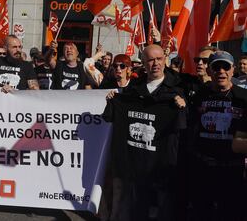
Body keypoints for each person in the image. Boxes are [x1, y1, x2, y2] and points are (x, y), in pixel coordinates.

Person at [103, 44, 186, 221]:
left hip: (159, 170)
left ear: (165, 60)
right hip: (131, 170)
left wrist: (183, 108)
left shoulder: (177, 92)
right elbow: (109, 117)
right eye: (150, 60)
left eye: (159, 59)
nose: (155, 63)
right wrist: (113, 99)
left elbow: (184, 127)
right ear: (143, 63)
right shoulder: (132, 90)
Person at [189, 51, 247, 221]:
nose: (221, 71)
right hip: (203, 168)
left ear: (232, 70)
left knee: (231, 213)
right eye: (216, 67)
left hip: (232, 170)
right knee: (201, 212)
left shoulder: (243, 98)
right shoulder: (198, 96)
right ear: (209, 71)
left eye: (226, 67)